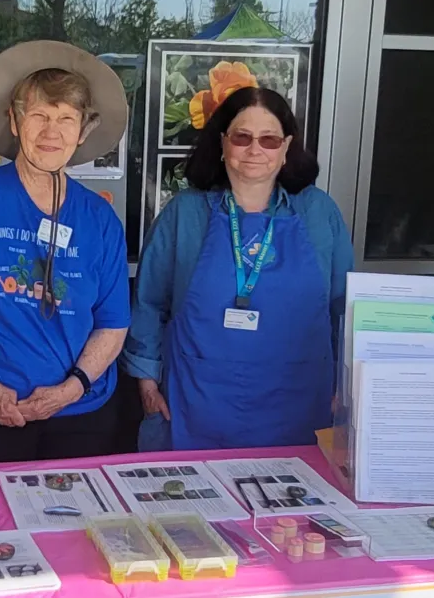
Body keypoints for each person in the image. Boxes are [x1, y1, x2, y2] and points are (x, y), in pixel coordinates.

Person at [0, 41, 131, 464]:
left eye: (66, 119)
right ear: (14, 121)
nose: (52, 132)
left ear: (83, 132)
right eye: (38, 116)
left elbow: (112, 324)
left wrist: (70, 389)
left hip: (79, 414)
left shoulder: (100, 218)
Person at [123, 87, 353, 451]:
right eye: (242, 137)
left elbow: (344, 307)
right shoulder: (186, 212)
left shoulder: (318, 213)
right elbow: (149, 303)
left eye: (269, 139)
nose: (255, 150)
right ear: (222, 142)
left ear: (287, 146)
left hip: (300, 402)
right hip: (196, 403)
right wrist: (147, 385)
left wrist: (347, 387)